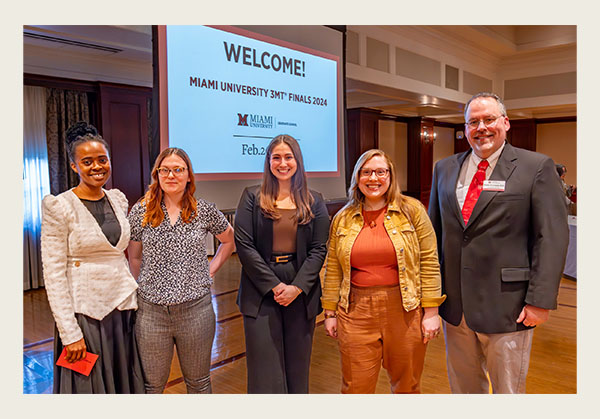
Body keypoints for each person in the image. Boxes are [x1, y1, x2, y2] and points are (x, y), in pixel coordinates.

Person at [428, 92, 569, 393]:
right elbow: (434, 237)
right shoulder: (444, 168)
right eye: (473, 122)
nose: (481, 128)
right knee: (464, 390)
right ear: (465, 129)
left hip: (509, 305)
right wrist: (431, 296)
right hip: (455, 306)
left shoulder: (536, 167)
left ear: (505, 122)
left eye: (489, 119)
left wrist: (540, 300)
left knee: (507, 393)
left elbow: (552, 237)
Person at [322, 149, 445, 394]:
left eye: (380, 172)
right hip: (355, 311)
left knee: (407, 386)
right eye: (366, 172)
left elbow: (430, 261)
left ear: (390, 176)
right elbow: (333, 268)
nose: (373, 178)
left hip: (405, 310)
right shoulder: (343, 218)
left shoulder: (412, 211)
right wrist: (329, 312)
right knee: (355, 389)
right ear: (357, 178)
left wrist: (431, 312)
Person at [41, 121, 144, 393]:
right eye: (87, 162)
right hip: (84, 314)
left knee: (124, 383)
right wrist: (69, 332)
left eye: (102, 159)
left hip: (121, 310)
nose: (97, 167)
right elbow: (52, 273)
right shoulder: (59, 206)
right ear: (74, 166)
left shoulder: (117, 199)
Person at [127, 147, 235, 394]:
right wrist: (143, 285)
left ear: (189, 176)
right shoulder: (141, 211)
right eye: (165, 170)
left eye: (178, 170)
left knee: (198, 384)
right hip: (151, 314)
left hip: (196, 312)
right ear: (157, 174)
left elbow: (229, 241)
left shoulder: (203, 210)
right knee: (151, 386)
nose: (171, 175)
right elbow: (134, 257)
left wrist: (210, 271)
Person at [234, 134, 329, 393]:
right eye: (276, 157)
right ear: (268, 161)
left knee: (298, 369)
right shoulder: (251, 197)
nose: (283, 163)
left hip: (301, 287)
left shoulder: (315, 200)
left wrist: (296, 287)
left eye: (289, 157)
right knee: (265, 372)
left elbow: (319, 249)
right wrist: (275, 286)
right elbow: (244, 246)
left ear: (297, 161)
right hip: (260, 288)